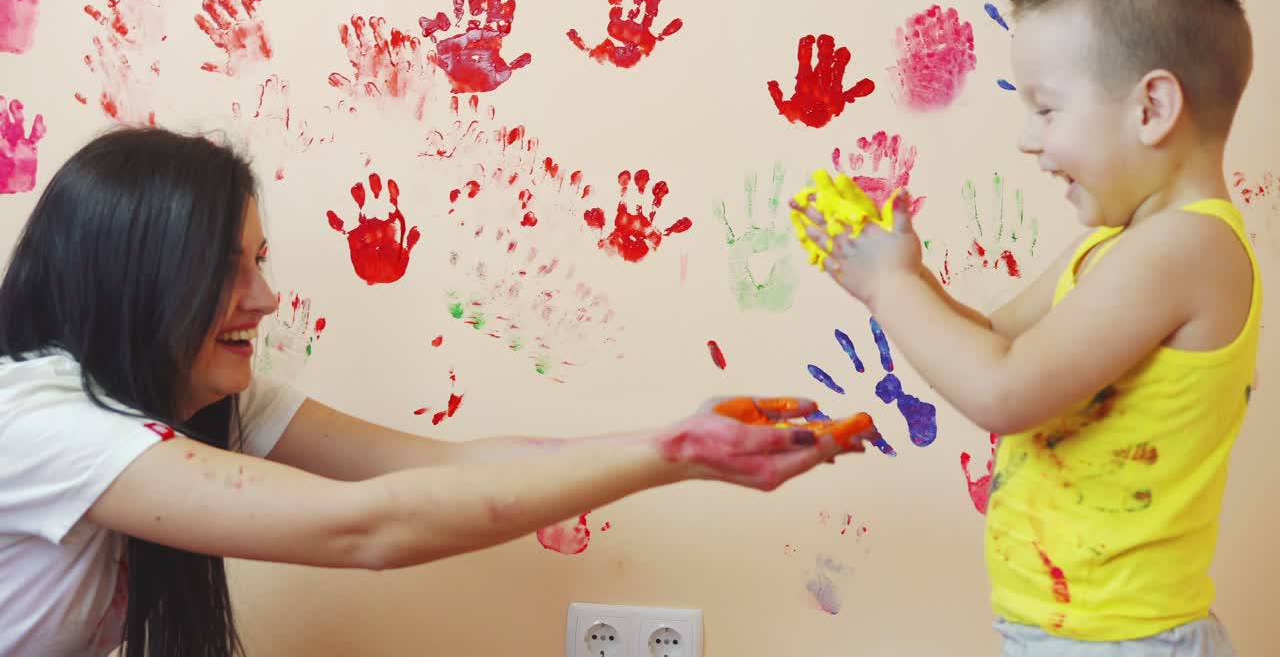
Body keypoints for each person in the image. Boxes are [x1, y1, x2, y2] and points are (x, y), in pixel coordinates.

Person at [0, 127, 863, 657]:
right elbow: (367, 527)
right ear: (137, 280)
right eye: (228, 270)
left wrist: (682, 443)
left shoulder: (212, 401)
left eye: (260, 262)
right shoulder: (43, 423)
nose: (266, 300)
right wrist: (670, 458)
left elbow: (439, 468)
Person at [793, 0, 1256, 654]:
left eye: (1046, 110)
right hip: (1070, 631)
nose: (1027, 140)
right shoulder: (1124, 246)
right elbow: (998, 342)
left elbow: (1003, 393)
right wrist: (901, 274)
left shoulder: (1186, 249)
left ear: (1153, 107)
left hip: (1123, 640)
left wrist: (889, 288)